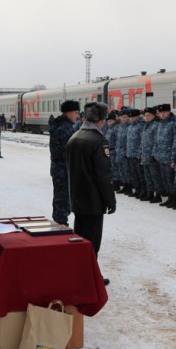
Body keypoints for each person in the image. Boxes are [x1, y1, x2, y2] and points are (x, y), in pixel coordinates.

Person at [66, 102, 116, 285]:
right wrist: (110, 200)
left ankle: (80, 274)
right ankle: (90, 278)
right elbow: (103, 175)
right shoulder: (98, 141)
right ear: (101, 121)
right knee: (92, 243)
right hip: (94, 201)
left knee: (80, 239)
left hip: (78, 200)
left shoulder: (74, 137)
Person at [49, 100, 80, 226]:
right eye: (76, 113)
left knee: (59, 198)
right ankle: (61, 225)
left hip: (59, 169)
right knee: (63, 200)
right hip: (63, 169)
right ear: (69, 112)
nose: (77, 116)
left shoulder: (60, 125)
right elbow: (67, 152)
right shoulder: (65, 129)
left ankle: (59, 222)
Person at [154, 104, 176, 208]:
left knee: (171, 179)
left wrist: (173, 158)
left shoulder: (174, 124)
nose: (162, 114)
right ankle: (170, 197)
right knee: (165, 179)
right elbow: (157, 140)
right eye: (160, 112)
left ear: (169, 112)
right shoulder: (160, 124)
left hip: (169, 156)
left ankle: (175, 199)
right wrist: (155, 153)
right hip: (161, 156)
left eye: (164, 112)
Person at [140, 107, 162, 202]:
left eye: (148, 115)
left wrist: (153, 154)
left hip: (152, 156)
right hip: (145, 155)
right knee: (147, 176)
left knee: (155, 176)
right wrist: (140, 152)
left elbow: (157, 142)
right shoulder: (146, 125)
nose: (146, 117)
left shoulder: (156, 125)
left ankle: (158, 195)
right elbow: (143, 141)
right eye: (145, 115)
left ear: (153, 115)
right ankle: (150, 193)